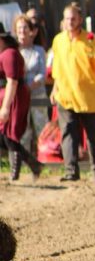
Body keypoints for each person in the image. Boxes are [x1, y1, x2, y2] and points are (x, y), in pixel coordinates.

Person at [49, 2, 95, 183]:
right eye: (67, 18)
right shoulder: (58, 41)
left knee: (93, 136)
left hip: (87, 97)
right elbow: (57, 69)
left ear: (80, 20)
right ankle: (71, 172)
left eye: (73, 18)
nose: (70, 21)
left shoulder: (91, 40)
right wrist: (55, 89)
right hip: (66, 95)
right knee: (68, 134)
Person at [1, 29, 42, 181]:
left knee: (9, 135)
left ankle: (17, 171)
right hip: (10, 96)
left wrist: (5, 107)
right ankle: (32, 164)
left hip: (14, 97)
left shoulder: (9, 54)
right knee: (6, 136)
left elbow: (12, 81)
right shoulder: (7, 53)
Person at [15, 14, 48, 159]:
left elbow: (43, 73)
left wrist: (30, 87)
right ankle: (24, 160)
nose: (22, 31)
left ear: (31, 31)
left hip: (37, 94)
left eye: (25, 28)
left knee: (42, 127)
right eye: (19, 28)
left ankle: (46, 158)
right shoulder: (13, 51)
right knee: (23, 130)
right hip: (19, 97)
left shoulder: (38, 51)